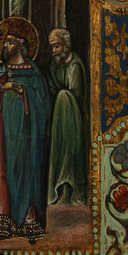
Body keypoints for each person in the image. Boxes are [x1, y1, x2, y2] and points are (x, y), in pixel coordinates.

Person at [0, 31, 50, 244]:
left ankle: (30, 228)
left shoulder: (33, 72)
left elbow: (43, 104)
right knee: (4, 176)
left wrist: (25, 92)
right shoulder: (1, 71)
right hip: (5, 137)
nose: (5, 45)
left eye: (10, 42)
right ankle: (7, 226)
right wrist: (4, 87)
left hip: (28, 138)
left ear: (20, 46)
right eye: (5, 41)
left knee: (27, 177)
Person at [47, 28, 88, 205]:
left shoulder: (75, 65)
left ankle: (71, 189)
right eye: (52, 47)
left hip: (73, 119)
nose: (54, 50)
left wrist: (62, 97)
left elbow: (76, 94)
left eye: (57, 46)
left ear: (66, 45)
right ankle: (59, 190)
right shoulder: (53, 65)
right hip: (58, 121)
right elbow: (50, 90)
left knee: (64, 95)